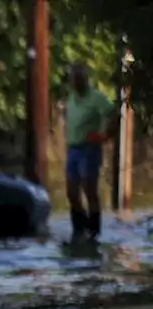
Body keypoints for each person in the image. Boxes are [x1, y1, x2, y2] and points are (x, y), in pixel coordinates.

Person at [63, 63, 118, 240]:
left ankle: (94, 230)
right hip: (73, 148)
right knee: (71, 191)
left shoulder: (96, 97)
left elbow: (113, 114)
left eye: (79, 79)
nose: (75, 82)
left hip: (89, 148)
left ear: (85, 80)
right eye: (73, 79)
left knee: (89, 187)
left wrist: (104, 136)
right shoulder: (71, 98)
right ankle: (79, 227)